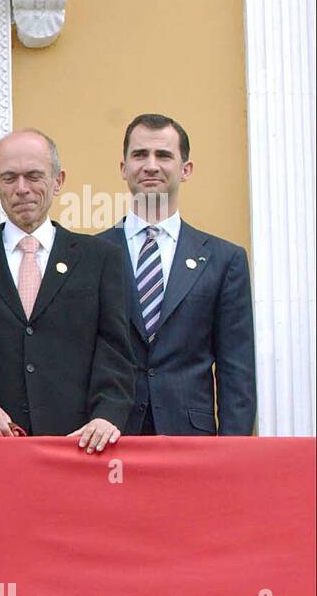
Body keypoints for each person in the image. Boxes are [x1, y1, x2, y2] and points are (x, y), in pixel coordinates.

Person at [0, 129, 135, 453]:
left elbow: (114, 350)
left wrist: (107, 415)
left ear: (58, 181)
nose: (22, 189)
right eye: (9, 178)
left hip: (81, 446)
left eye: (34, 176)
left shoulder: (99, 259)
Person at [98, 113, 256, 435]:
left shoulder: (224, 260)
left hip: (190, 442)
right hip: (110, 437)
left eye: (164, 155)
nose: (151, 165)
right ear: (123, 168)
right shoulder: (92, 255)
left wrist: (232, 455)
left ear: (186, 170)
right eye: (140, 155)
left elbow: (236, 370)